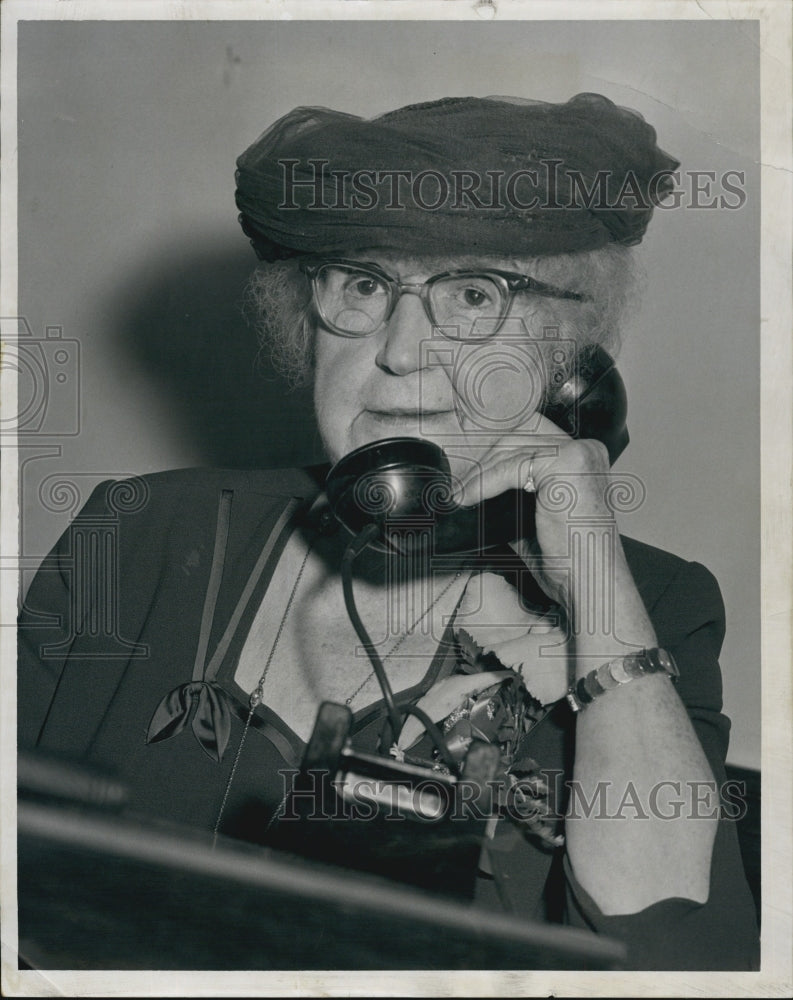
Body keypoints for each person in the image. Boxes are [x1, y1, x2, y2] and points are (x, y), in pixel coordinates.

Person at [18, 93, 759, 970]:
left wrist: (591, 585)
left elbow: (673, 947)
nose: (402, 349)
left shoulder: (657, 601)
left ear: (567, 350)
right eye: (365, 284)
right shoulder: (138, 534)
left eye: (474, 293)